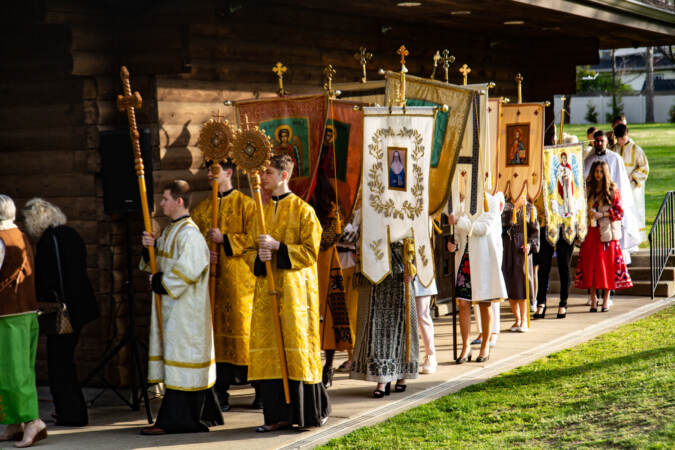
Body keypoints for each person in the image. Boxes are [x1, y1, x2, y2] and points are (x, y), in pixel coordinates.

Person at [244, 154, 330, 432]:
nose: (262, 177)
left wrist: (279, 246)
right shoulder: (262, 211)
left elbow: (310, 252)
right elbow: (248, 252)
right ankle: (276, 416)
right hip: (267, 295)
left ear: (283, 176)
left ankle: (307, 415)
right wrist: (259, 255)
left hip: (295, 297)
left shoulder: (304, 211)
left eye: (267, 172)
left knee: (295, 352)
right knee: (271, 353)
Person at [139, 180, 222, 435]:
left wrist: (161, 282)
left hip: (187, 313)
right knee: (177, 365)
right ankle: (175, 418)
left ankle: (177, 421)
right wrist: (148, 251)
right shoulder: (170, 231)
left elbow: (189, 270)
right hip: (173, 309)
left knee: (183, 365)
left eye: (165, 199)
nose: (161, 204)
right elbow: (158, 264)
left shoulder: (190, 234)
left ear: (179, 201)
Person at [22, 198, 100, 427]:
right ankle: (72, 411)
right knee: (66, 362)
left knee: (60, 365)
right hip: (81, 307)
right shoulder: (70, 234)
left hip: (64, 312)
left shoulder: (49, 240)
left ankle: (70, 414)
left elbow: (47, 279)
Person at [191, 159, 261, 411]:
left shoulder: (247, 205)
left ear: (229, 172)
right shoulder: (201, 210)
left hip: (241, 284)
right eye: (208, 170)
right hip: (214, 287)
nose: (210, 174)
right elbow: (193, 241)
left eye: (215, 170)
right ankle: (220, 392)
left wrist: (226, 239)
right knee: (217, 339)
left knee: (245, 337)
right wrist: (203, 252)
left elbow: (254, 237)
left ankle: (261, 390)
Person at [0, 195, 47, 448]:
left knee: (14, 372)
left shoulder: (2, 238)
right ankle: (15, 422)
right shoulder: (19, 234)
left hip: (9, 314)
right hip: (23, 312)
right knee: (16, 370)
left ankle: (32, 421)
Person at [350, 237, 419, 395]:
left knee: (401, 326)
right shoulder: (366, 211)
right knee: (377, 325)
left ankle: (402, 375)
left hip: (401, 272)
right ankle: (382, 379)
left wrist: (414, 268)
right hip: (376, 268)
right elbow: (352, 234)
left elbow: (420, 239)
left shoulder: (409, 212)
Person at [446, 192, 508, 363]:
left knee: (484, 303)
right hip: (465, 260)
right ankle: (466, 346)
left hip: (483, 260)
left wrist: (459, 221)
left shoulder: (492, 201)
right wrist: (454, 244)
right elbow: (459, 234)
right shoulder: (460, 203)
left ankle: (485, 345)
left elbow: (482, 229)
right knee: (463, 304)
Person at [308, 173, 352, 388]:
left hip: (325, 263)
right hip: (309, 262)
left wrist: (308, 242)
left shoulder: (332, 208)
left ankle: (328, 365)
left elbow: (331, 236)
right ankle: (315, 365)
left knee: (329, 316)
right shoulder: (301, 203)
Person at [574, 162, 633, 310]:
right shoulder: (588, 189)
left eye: (601, 172)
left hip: (607, 233)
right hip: (591, 232)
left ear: (605, 173)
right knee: (591, 266)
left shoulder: (612, 189)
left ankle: (606, 298)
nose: (598, 174)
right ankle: (593, 298)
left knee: (606, 266)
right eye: (596, 171)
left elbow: (619, 212)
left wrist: (603, 214)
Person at [584, 130, 641, 262]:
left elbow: (620, 181)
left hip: (609, 201)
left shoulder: (615, 158)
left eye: (601, 141)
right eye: (596, 141)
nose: (598, 143)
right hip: (594, 204)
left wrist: (615, 199)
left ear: (607, 142)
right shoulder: (589, 159)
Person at [502, 195, 540, 333]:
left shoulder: (530, 208)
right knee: (510, 283)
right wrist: (514, 209)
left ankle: (524, 319)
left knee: (522, 284)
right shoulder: (505, 206)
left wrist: (530, 245)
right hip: (507, 247)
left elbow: (534, 232)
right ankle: (517, 318)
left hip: (521, 250)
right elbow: (502, 225)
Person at [612, 124, 649, 246]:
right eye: (618, 139)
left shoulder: (636, 150)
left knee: (633, 212)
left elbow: (644, 168)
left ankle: (634, 241)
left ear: (627, 135)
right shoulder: (613, 149)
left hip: (632, 188)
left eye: (622, 138)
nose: (620, 142)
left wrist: (632, 176)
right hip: (616, 188)